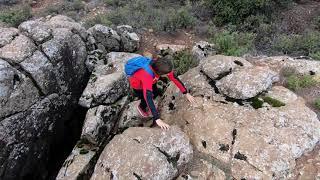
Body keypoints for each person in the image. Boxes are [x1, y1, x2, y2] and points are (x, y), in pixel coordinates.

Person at [125, 54, 195, 130]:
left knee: (154, 91)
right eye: (167, 74)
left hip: (152, 80)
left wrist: (186, 93)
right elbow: (147, 96)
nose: (169, 74)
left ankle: (155, 93)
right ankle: (141, 107)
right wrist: (157, 118)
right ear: (159, 73)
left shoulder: (159, 66)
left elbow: (174, 78)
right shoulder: (146, 75)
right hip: (138, 85)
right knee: (145, 98)